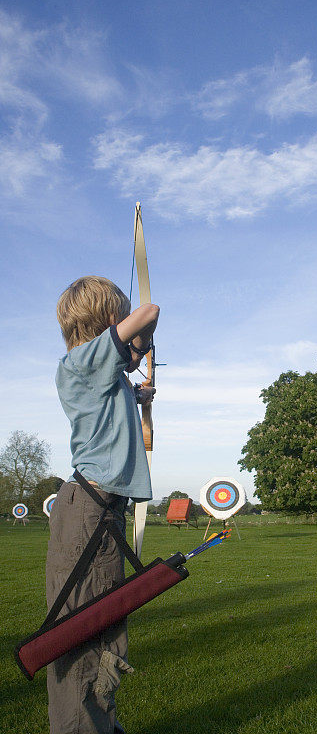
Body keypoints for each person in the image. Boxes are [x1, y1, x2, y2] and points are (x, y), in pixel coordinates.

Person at [47, 275, 158, 734]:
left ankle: (100, 726)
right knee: (84, 633)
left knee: (99, 626)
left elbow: (128, 427)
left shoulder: (99, 377)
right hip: (90, 510)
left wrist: (140, 400)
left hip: (97, 511)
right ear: (110, 320)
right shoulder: (80, 363)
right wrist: (144, 335)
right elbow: (149, 313)